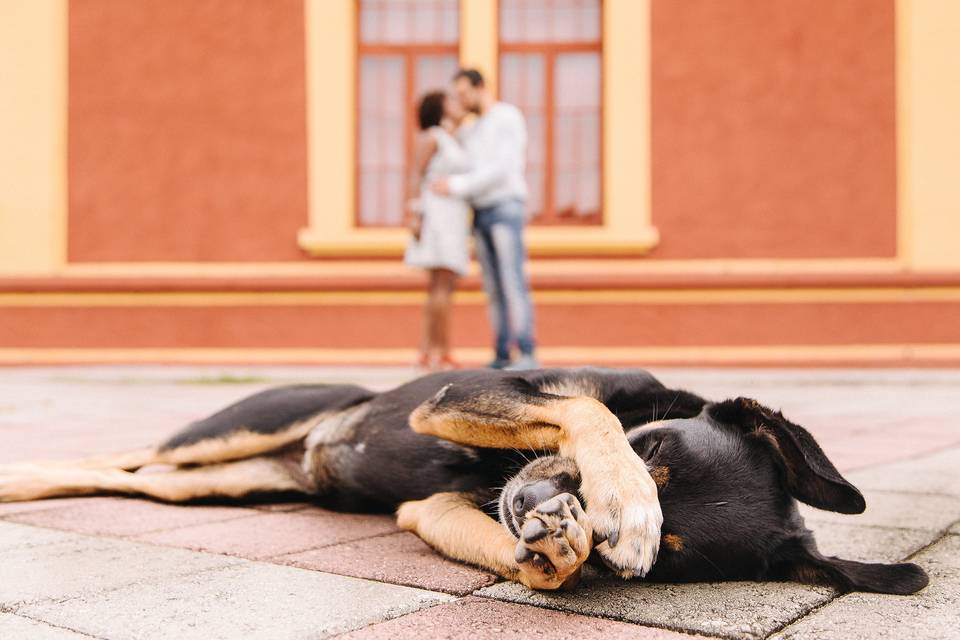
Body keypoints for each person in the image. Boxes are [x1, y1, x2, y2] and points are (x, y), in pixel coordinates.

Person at [432, 69, 538, 370]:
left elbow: (501, 169)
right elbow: (454, 155)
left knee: (512, 280)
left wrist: (455, 186)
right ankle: (502, 353)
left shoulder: (507, 117)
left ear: (480, 87)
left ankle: (527, 351)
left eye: (465, 94)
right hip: (480, 212)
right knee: (492, 286)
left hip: (505, 206)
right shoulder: (472, 130)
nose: (462, 101)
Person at [404, 91, 471, 370]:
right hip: (437, 214)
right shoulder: (432, 137)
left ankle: (427, 350)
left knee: (441, 286)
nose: (458, 105)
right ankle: (441, 351)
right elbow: (416, 174)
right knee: (441, 284)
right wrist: (414, 214)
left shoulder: (452, 136)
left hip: (452, 214)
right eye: (452, 101)